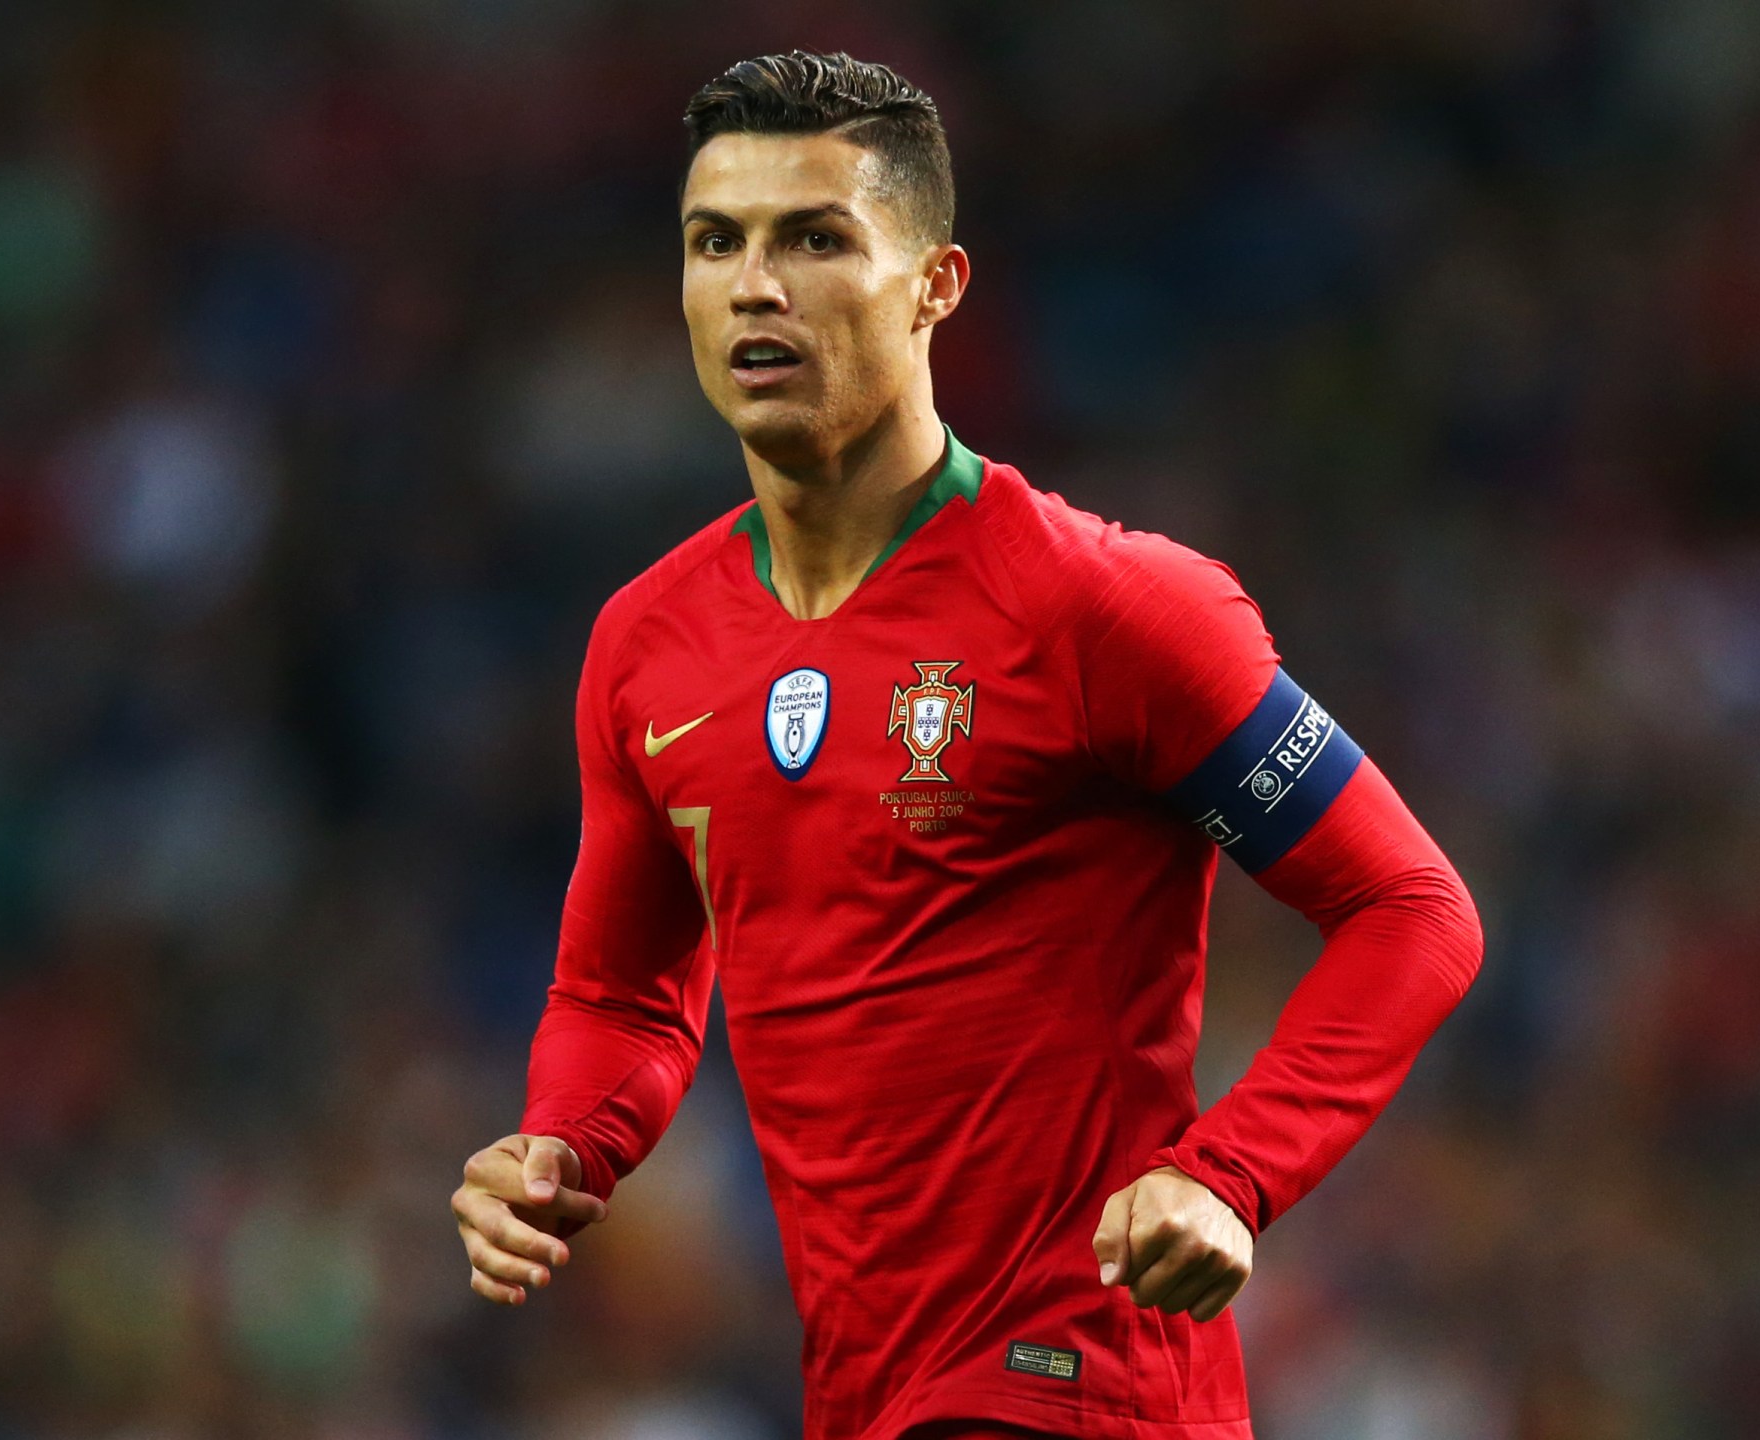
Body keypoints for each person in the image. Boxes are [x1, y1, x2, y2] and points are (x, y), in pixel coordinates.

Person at [449, 50, 1483, 1440]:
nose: (757, 285)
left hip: (1078, 1386)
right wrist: (566, 1143)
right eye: (717, 243)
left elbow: (1410, 909)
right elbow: (625, 998)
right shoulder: (648, 646)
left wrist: (1228, 1175)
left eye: (815, 239)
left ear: (936, 287)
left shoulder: (1107, 609)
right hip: (863, 1394)